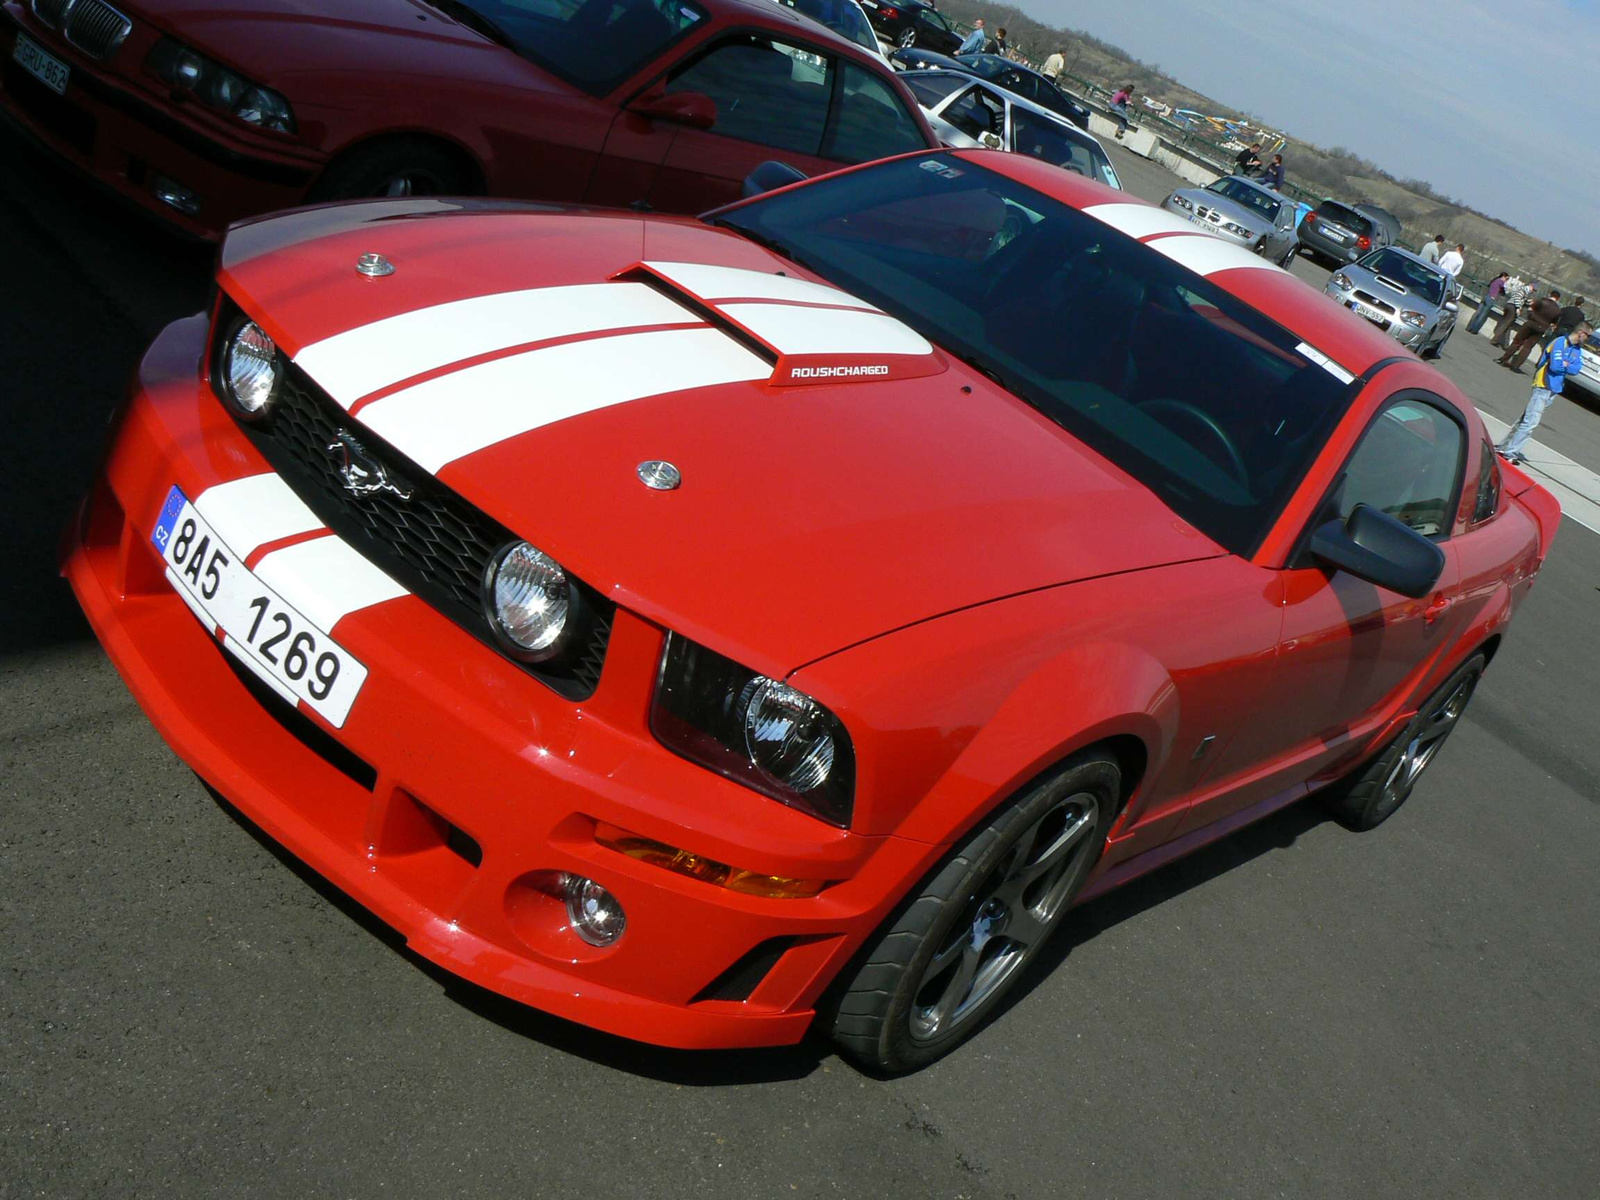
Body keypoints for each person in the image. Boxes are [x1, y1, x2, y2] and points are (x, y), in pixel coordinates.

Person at [1497, 322, 1592, 464]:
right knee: (1531, 422)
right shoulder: (1559, 343)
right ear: (1581, 333)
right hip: (1543, 385)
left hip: (1554, 389)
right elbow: (1555, 366)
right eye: (1588, 336)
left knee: (1525, 419)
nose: (1588, 339)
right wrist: (1566, 365)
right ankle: (1510, 452)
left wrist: (1566, 365)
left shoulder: (1577, 350)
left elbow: (1576, 369)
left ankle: (1504, 446)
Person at [1498, 288, 1562, 371]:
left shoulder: (1541, 301)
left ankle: (1504, 359)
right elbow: (1554, 323)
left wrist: (1530, 316)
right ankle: (1515, 366)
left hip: (1531, 323)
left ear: (1550, 295)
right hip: (1541, 328)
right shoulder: (1557, 310)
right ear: (1557, 299)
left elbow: (1530, 309)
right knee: (1527, 347)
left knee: (1517, 341)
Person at [1493, 277, 1533, 348]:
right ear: (1530, 286)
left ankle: (1505, 344)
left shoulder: (1523, 290)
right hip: (1513, 307)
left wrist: (1528, 302)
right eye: (1533, 289)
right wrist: (1518, 308)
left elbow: (1521, 299)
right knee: (1506, 324)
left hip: (1509, 305)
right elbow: (1518, 298)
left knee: (1507, 325)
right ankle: (1495, 340)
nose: (1533, 291)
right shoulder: (1523, 290)